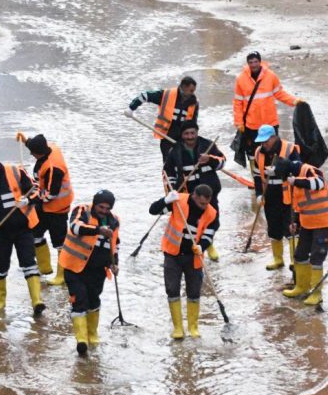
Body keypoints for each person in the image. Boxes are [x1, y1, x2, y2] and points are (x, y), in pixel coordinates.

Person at [0, 155, 44, 316]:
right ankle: (0, 301)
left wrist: (28, 200)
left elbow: (36, 190)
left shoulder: (16, 171)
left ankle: (37, 300)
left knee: (28, 262)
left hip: (23, 228)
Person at [148, 185, 218, 340]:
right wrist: (165, 200)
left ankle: (193, 328)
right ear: (194, 196)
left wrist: (202, 246)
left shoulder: (212, 214)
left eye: (206, 204)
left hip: (194, 257)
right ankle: (178, 328)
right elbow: (153, 211)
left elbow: (209, 235)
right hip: (172, 254)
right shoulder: (178, 202)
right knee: (172, 289)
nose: (203, 207)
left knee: (194, 292)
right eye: (201, 204)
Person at [61, 190, 119, 357]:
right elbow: (75, 227)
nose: (104, 211)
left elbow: (115, 244)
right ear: (95, 204)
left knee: (93, 301)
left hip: (98, 270)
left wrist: (114, 264)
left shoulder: (114, 221)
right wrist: (98, 230)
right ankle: (81, 340)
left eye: (108, 208)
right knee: (79, 300)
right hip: (74, 267)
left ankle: (92, 335)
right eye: (101, 207)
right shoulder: (81, 210)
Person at [163, 120, 225, 261]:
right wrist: (172, 190)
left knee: (212, 219)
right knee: (193, 221)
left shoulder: (207, 145)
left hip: (209, 191)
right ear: (182, 134)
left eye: (192, 133)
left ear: (197, 132)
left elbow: (222, 162)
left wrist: (210, 159)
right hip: (191, 194)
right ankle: (194, 247)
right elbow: (168, 172)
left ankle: (209, 244)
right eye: (186, 134)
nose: (190, 137)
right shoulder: (175, 150)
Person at [279, 158, 328, 306]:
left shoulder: (309, 170)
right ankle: (301, 287)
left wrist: (296, 181)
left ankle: (316, 293)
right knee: (300, 255)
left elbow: (319, 183)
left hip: (323, 222)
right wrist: (295, 222)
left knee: (317, 258)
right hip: (307, 223)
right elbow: (299, 203)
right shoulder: (292, 180)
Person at [18, 133, 74, 285]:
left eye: (32, 152)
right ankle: (44, 267)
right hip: (44, 206)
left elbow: (50, 194)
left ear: (40, 153)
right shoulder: (50, 147)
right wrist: (26, 141)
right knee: (35, 232)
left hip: (57, 209)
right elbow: (36, 145)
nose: (30, 154)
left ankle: (62, 275)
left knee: (60, 243)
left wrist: (29, 200)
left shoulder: (53, 168)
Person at [232, 51, 302, 164]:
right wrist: (239, 122)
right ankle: (257, 176)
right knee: (253, 153)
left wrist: (294, 101)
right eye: (251, 62)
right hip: (252, 125)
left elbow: (280, 93)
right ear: (247, 63)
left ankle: (274, 172)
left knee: (274, 151)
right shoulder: (241, 79)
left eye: (255, 62)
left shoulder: (271, 76)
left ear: (260, 62)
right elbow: (237, 103)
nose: (253, 65)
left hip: (270, 124)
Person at [253, 125, 301, 270]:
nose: (263, 144)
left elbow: (298, 169)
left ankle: (295, 260)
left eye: (266, 141)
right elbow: (256, 175)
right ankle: (278, 259)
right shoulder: (259, 153)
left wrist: (281, 169)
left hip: (288, 195)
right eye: (261, 141)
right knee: (273, 228)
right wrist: (259, 194)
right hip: (270, 194)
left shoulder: (290, 149)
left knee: (291, 228)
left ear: (274, 138)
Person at [124, 76, 198, 159]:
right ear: (184, 87)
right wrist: (131, 108)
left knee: (185, 162)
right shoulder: (165, 95)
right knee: (169, 162)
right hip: (167, 137)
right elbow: (145, 96)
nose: (192, 93)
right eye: (191, 90)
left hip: (184, 139)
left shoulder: (194, 103)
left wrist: (194, 141)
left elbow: (194, 124)